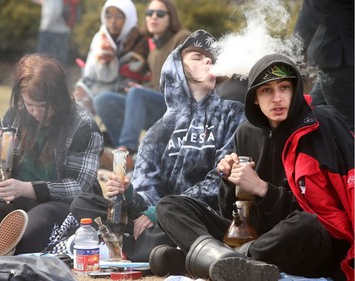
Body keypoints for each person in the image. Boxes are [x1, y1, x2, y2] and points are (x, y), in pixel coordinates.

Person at [151, 54, 354, 281]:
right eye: (266, 90)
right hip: (252, 238)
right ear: (255, 97)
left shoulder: (319, 125)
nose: (277, 98)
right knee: (169, 205)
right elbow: (231, 215)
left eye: (284, 87)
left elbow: (324, 212)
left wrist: (262, 189)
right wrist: (229, 180)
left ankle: (212, 262)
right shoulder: (246, 133)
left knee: (306, 225)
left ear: (294, 90)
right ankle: (229, 263)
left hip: (305, 244)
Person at [50, 30, 246, 262]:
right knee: (84, 202)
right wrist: (128, 193)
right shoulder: (159, 129)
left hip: (198, 217)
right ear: (177, 67)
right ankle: (149, 248)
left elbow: (219, 183)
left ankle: (124, 245)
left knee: (168, 215)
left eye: (211, 59)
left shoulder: (232, 114)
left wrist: (158, 212)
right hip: (153, 222)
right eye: (197, 56)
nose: (207, 61)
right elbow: (146, 188)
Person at [0, 54, 104, 255]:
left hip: (64, 206)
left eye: (44, 106)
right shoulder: (15, 116)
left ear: (59, 98)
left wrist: (28, 188)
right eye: (30, 105)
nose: (37, 113)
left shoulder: (82, 125)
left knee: (30, 233)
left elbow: (79, 187)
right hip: (17, 202)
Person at [95, 0, 191, 168]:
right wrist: (140, 88)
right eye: (149, 13)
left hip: (179, 109)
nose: (153, 17)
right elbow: (155, 84)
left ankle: (127, 149)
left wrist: (141, 91)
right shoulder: (154, 50)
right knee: (103, 99)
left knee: (136, 94)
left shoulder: (181, 38)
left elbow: (184, 83)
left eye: (160, 14)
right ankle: (124, 160)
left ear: (171, 17)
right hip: (159, 105)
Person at [73, 0, 149, 115]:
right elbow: (90, 73)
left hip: (127, 90)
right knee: (78, 104)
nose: (113, 21)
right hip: (98, 86)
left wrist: (115, 61)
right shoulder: (101, 38)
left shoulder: (139, 39)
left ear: (129, 17)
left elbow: (138, 72)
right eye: (109, 16)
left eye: (119, 16)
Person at [294, 0, 354, 131]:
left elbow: (312, 8)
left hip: (338, 58)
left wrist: (293, 50)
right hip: (338, 58)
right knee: (307, 115)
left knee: (346, 126)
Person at [33, 0, 72, 66]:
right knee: (58, 62)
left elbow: (55, 10)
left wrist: (45, 25)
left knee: (45, 62)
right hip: (59, 31)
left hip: (52, 31)